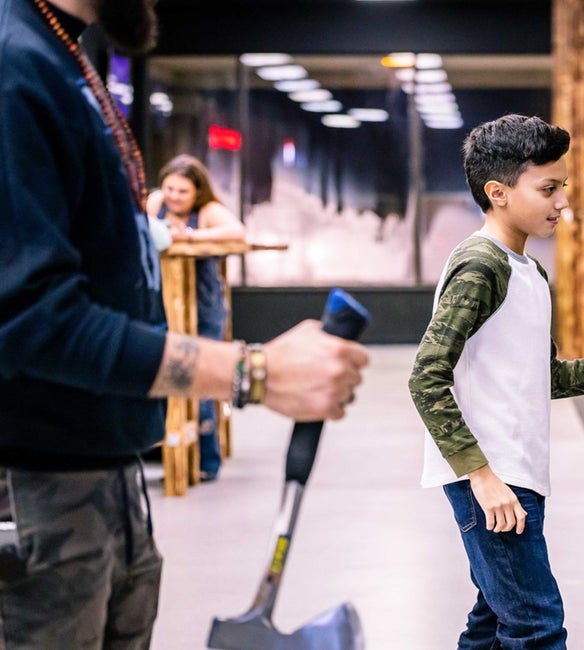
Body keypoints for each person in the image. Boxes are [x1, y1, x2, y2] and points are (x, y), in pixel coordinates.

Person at [0, 0, 369, 648]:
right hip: (30, 489)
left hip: (102, 472)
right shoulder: (12, 62)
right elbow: (28, 318)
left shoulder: (62, 53)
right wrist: (251, 372)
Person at [408, 113, 584, 649]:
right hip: (493, 479)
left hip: (516, 473)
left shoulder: (528, 272)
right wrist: (482, 478)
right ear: (498, 193)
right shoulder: (481, 267)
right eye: (548, 189)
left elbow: (546, 378)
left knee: (493, 623)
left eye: (563, 187)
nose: (563, 202)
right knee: (537, 627)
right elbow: (426, 376)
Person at [147, 154, 247, 482]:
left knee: (202, 381)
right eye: (170, 188)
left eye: (182, 191)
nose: (174, 197)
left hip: (203, 307)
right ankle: (166, 453)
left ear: (197, 191)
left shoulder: (208, 211)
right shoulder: (156, 203)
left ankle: (207, 460)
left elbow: (238, 233)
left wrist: (188, 235)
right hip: (164, 305)